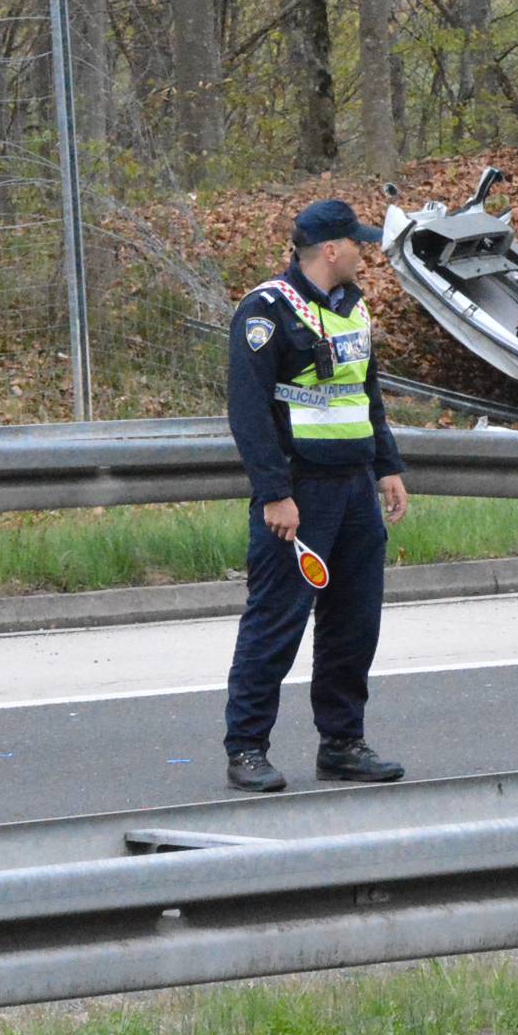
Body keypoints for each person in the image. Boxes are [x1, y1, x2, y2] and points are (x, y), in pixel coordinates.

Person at [222, 198, 410, 792]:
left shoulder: (354, 308)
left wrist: (387, 466)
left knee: (355, 624)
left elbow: (365, 394)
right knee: (277, 623)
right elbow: (248, 412)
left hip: (355, 488)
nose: (365, 250)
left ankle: (343, 742)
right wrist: (274, 493)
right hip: (299, 495)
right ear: (331, 250)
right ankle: (247, 747)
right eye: (357, 242)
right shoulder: (267, 311)